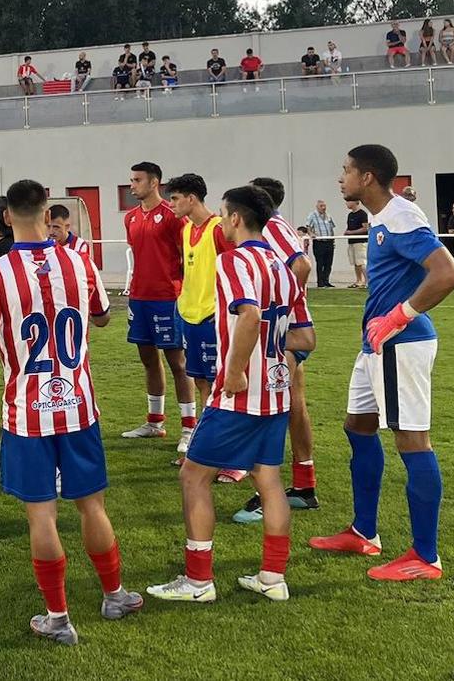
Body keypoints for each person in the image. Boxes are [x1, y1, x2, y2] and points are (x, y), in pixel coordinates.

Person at [0, 179, 142, 644]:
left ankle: (59, 617)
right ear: (48, 215)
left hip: (27, 412)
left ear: (7, 217)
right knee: (91, 504)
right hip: (78, 405)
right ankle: (115, 594)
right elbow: (103, 316)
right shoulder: (79, 260)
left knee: (41, 516)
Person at [147, 185, 313, 605]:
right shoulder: (281, 265)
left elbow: (251, 315)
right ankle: (272, 577)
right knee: (269, 479)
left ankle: (199, 581)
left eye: (224, 214)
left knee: (193, 475)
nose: (221, 221)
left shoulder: (234, 260)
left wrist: (237, 371)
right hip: (275, 393)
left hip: (240, 396)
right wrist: (277, 357)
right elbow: (305, 334)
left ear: (236, 218)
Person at [309, 144, 454, 581]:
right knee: (356, 426)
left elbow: (448, 273)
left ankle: (426, 556)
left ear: (368, 177)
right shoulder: (380, 217)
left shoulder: (401, 215)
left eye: (346, 171)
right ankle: (363, 532)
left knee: (413, 442)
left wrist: (400, 316)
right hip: (375, 345)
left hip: (401, 343)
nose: (341, 179)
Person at [233, 177, 321, 516]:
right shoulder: (273, 227)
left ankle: (270, 493)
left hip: (284, 332)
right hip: (287, 329)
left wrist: (282, 308)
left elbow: (301, 264)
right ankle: (303, 484)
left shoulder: (272, 226)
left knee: (268, 406)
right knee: (292, 402)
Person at [121, 162, 195, 444]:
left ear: (154, 183)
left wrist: (185, 294)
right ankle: (155, 422)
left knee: (178, 362)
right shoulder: (130, 218)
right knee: (148, 359)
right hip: (139, 298)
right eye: (131, 180)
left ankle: (189, 428)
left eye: (137, 180)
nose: (132, 185)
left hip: (168, 299)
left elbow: (186, 256)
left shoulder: (173, 216)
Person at [163, 174, 233, 466]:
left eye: (176, 199)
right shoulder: (186, 229)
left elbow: (233, 271)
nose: (172, 205)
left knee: (218, 385)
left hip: (211, 317)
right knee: (202, 382)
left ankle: (223, 453)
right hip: (189, 315)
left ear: (192, 199)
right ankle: (207, 449)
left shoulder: (218, 229)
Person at [304, 200, 337, 287]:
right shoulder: (312, 215)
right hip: (319, 243)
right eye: (321, 206)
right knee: (320, 262)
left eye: (324, 206)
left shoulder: (328, 216)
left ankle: (326, 281)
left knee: (328, 263)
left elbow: (331, 228)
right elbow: (308, 227)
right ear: (317, 207)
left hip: (329, 242)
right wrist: (311, 234)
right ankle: (320, 282)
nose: (323, 208)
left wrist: (333, 240)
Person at [345, 199, 370, 287]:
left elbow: (365, 228)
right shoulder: (350, 215)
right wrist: (347, 232)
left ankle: (368, 281)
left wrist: (351, 232)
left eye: (349, 201)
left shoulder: (362, 214)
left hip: (360, 242)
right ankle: (359, 281)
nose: (347, 203)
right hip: (352, 242)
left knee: (362, 262)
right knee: (355, 263)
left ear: (356, 202)